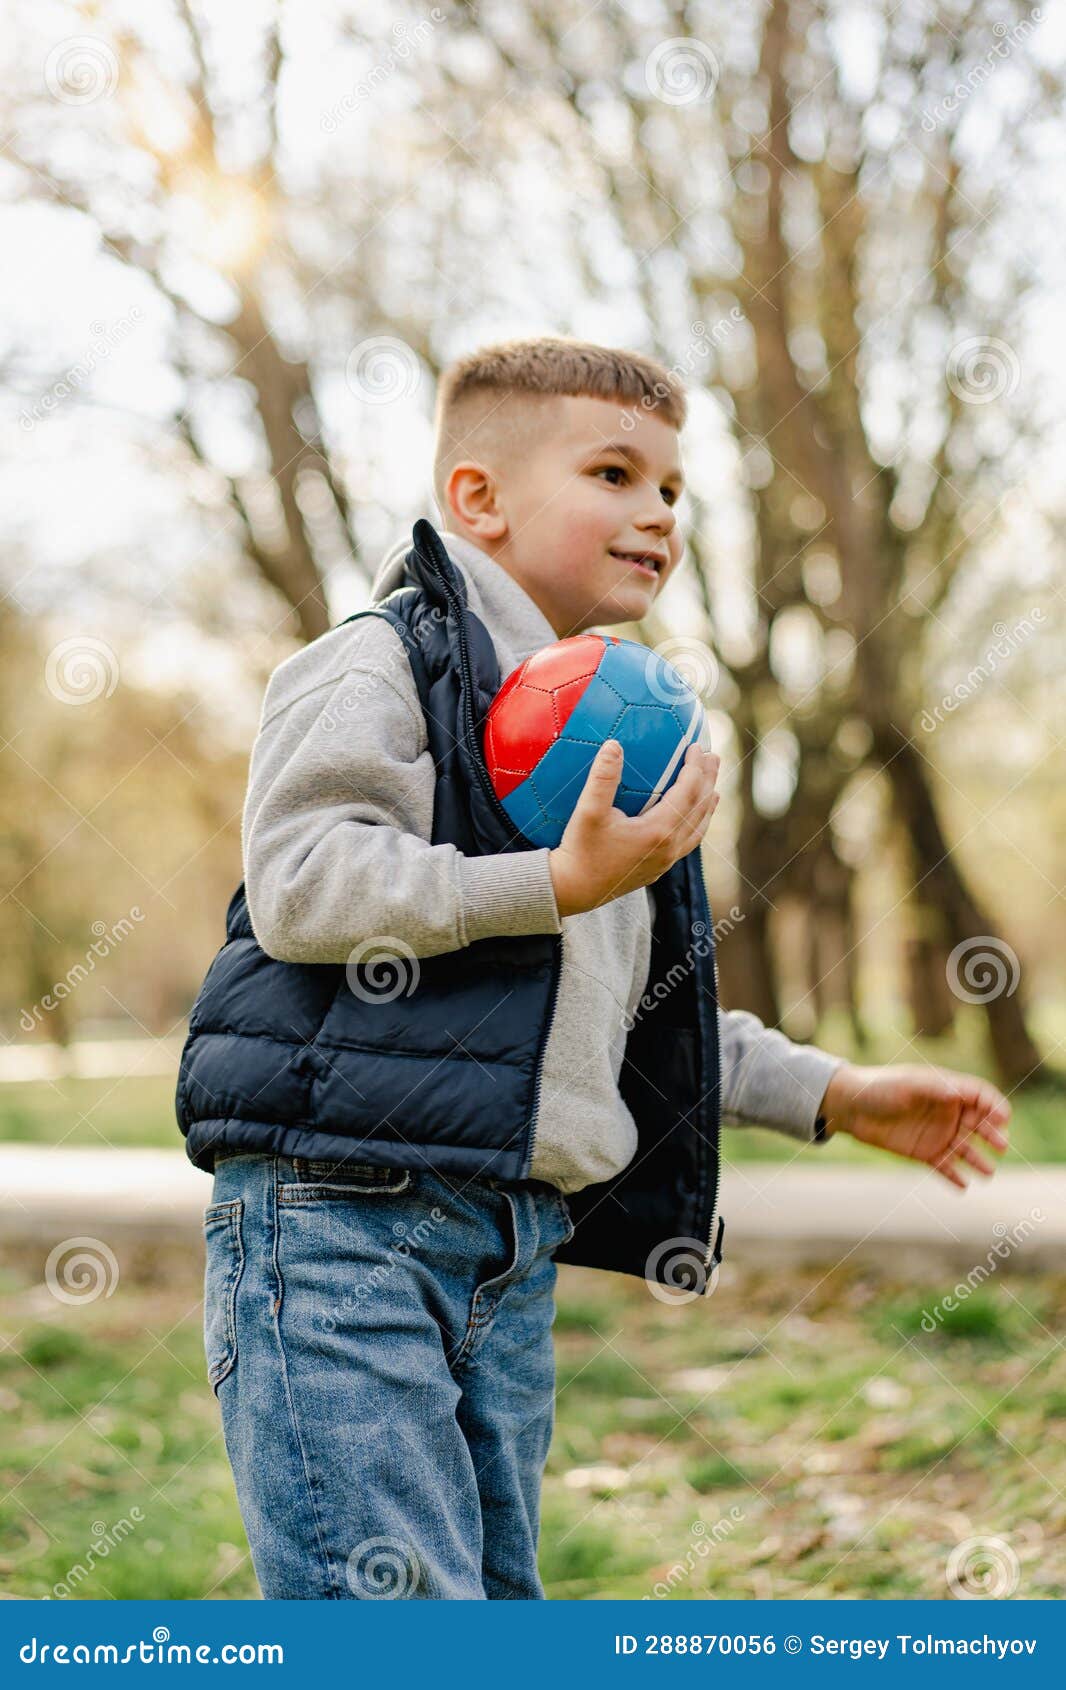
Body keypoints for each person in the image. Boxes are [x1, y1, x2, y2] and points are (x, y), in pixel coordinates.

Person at [176, 336, 1010, 1600]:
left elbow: (637, 1014)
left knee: (498, 1615)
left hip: (510, 1249)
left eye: (673, 490)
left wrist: (832, 1092)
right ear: (478, 498)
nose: (657, 514)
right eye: (615, 473)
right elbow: (303, 885)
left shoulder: (619, 730)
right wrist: (549, 884)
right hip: (342, 1224)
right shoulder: (385, 661)